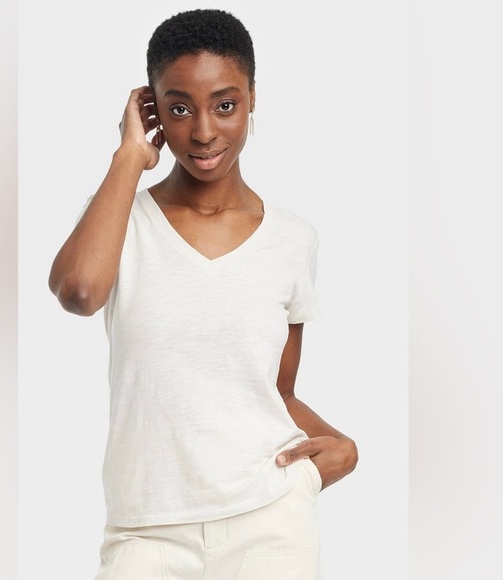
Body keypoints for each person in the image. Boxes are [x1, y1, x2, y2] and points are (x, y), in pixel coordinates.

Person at [48, 8, 358, 580]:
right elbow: (80, 292)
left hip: (270, 520)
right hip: (146, 528)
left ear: (252, 98)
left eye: (225, 104)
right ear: (152, 110)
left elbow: (275, 391)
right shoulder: (120, 220)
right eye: (179, 108)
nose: (204, 132)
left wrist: (342, 446)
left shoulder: (292, 239)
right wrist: (129, 157)